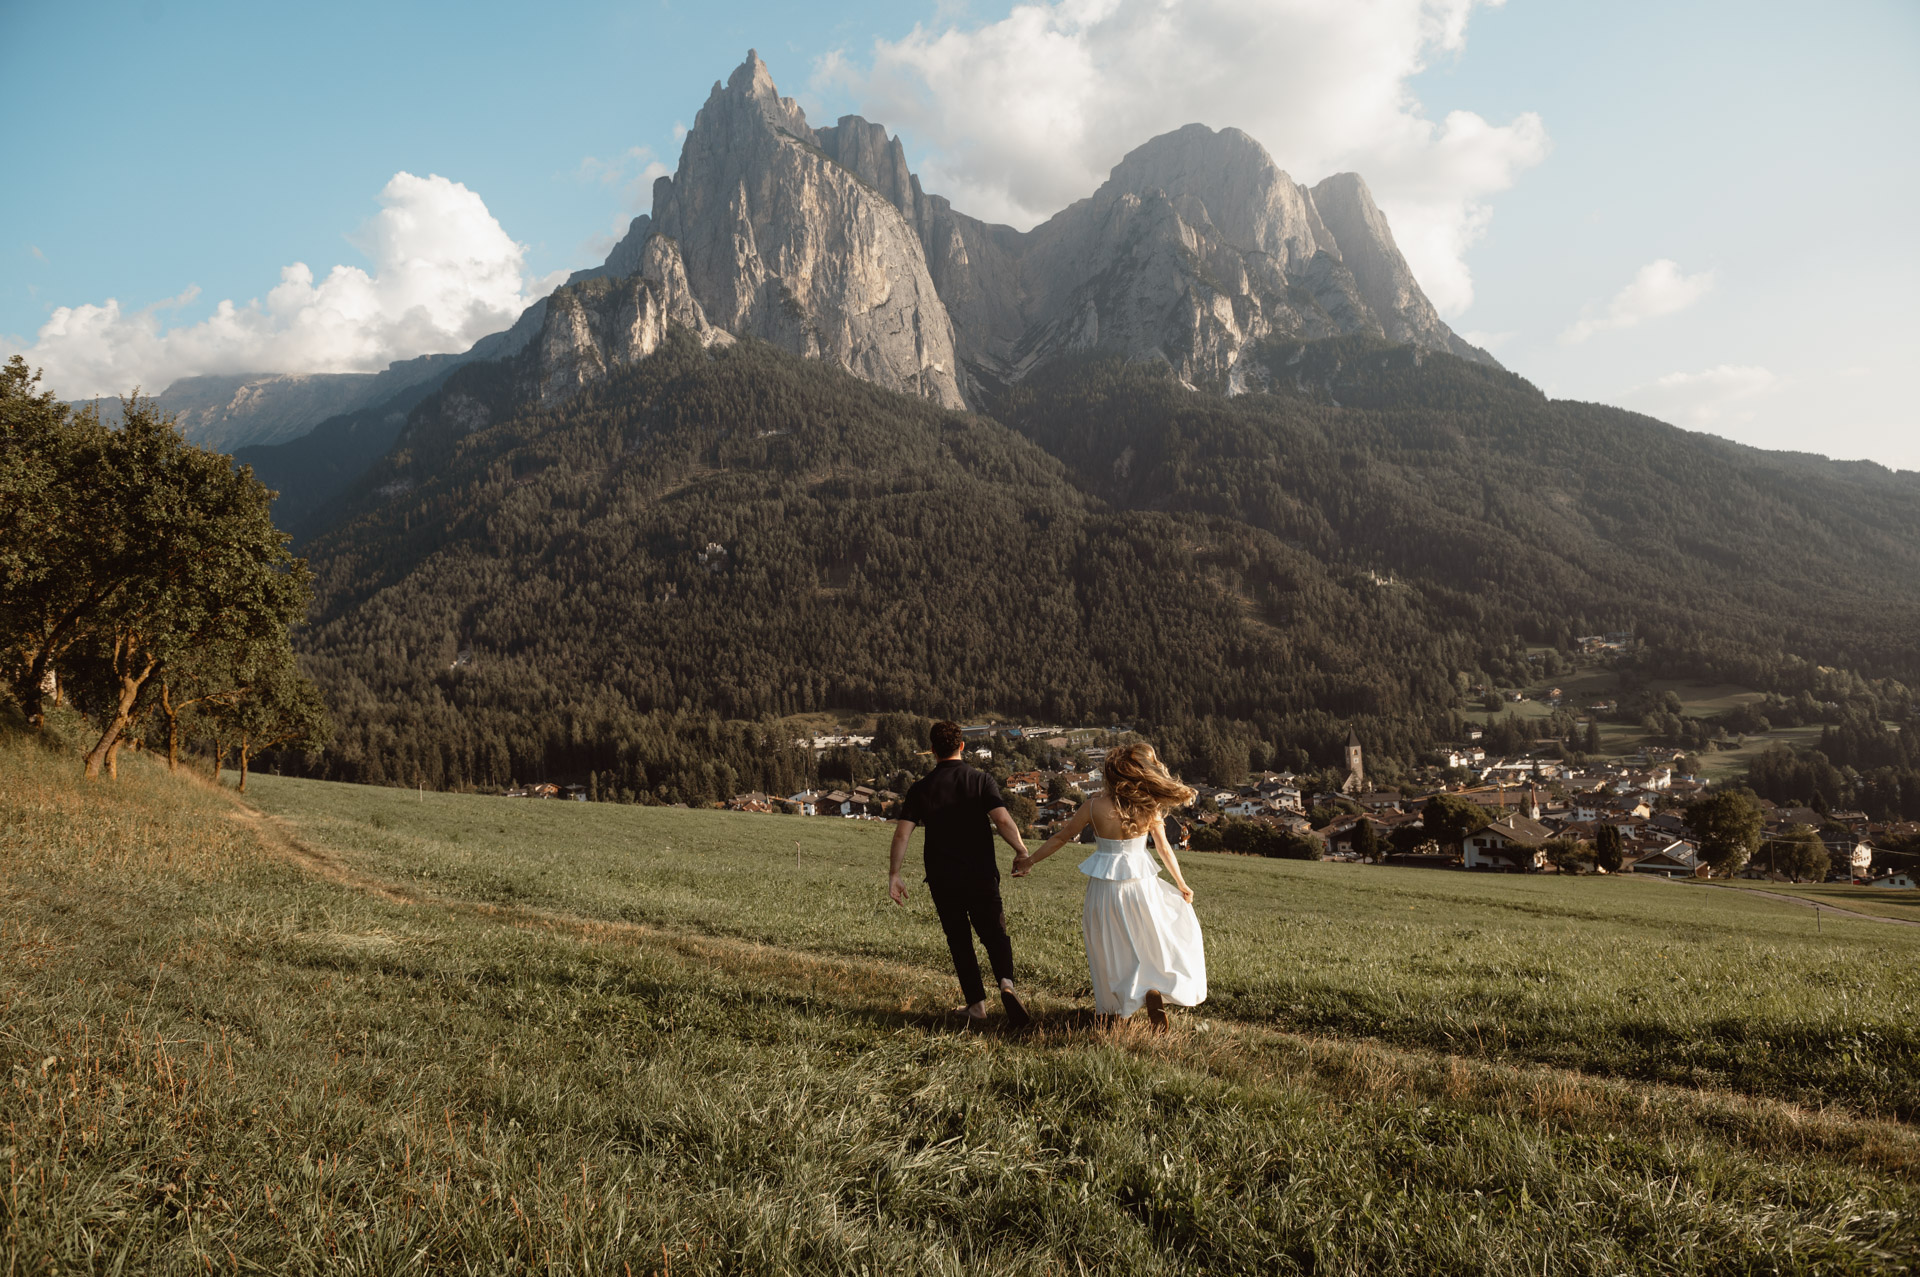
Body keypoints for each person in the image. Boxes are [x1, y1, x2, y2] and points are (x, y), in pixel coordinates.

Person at [1013, 742, 1205, 1030]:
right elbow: (1164, 849)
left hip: (1105, 887)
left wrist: (1029, 861)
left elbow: (1061, 838)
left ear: (1108, 776)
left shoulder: (1093, 806)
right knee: (1146, 940)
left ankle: (1114, 1010)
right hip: (1141, 883)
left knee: (1108, 946)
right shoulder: (1147, 806)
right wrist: (1182, 883)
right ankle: (1149, 990)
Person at [888, 720, 1034, 1030]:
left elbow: (902, 835)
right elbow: (1003, 821)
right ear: (962, 746)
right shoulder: (980, 780)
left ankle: (977, 1006)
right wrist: (1021, 851)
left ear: (932, 750)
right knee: (995, 933)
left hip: (943, 878)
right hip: (981, 873)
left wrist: (895, 874)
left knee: (959, 939)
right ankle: (1006, 983)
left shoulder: (920, 788)